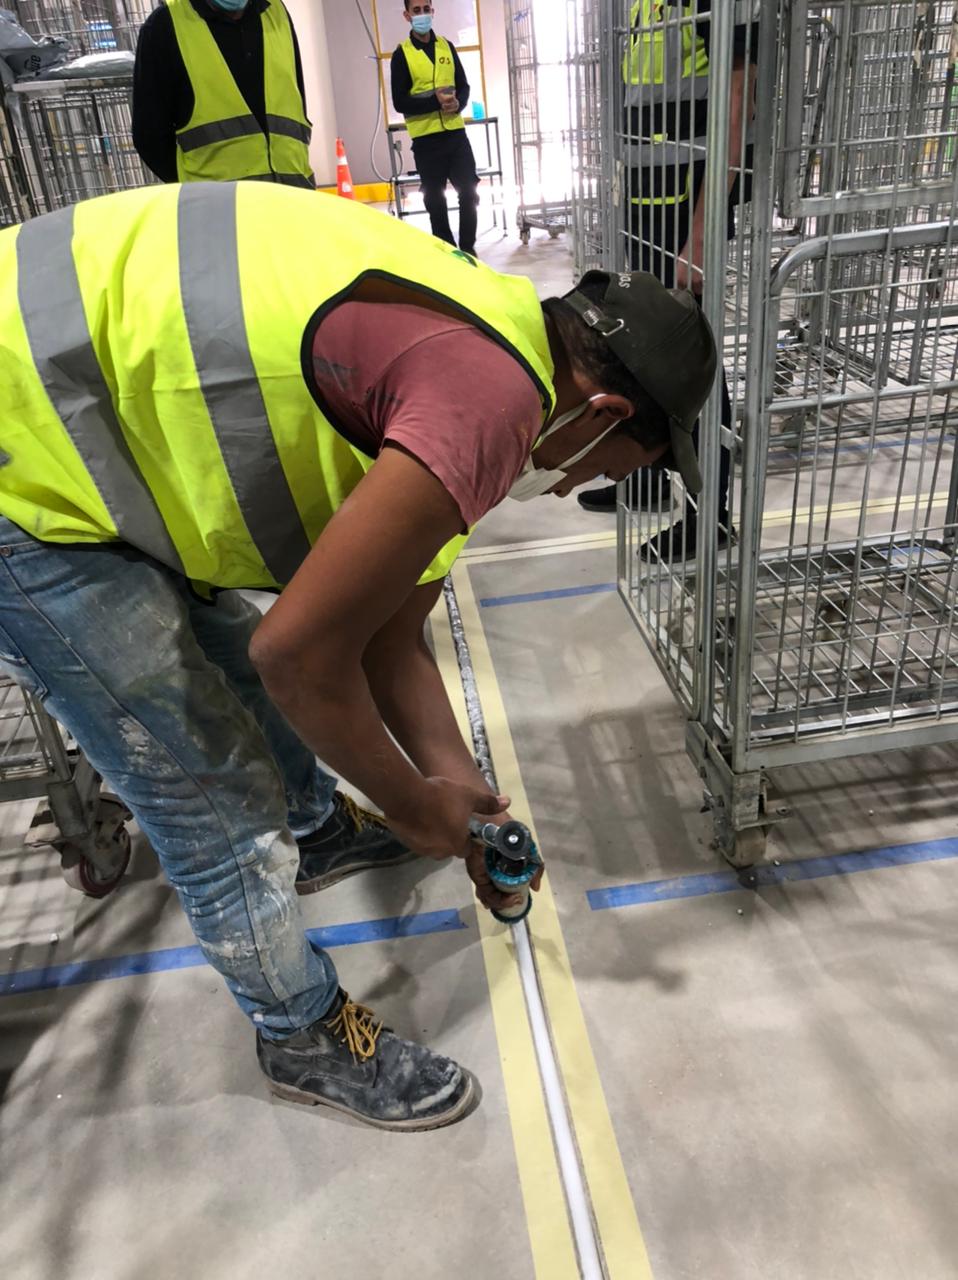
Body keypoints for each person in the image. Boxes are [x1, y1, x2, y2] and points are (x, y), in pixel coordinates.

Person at [0, 182, 715, 1130]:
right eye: (626, 464)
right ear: (608, 411)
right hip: (24, 440)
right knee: (209, 790)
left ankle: (320, 830)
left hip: (68, 397)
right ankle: (297, 1031)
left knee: (226, 665)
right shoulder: (490, 408)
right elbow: (300, 657)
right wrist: (414, 805)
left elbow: (391, 636)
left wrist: (466, 800)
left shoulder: (504, 338)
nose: (580, 486)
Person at [577, 0, 757, 565]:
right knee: (638, 352)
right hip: (646, 208)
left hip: (686, 210)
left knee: (692, 363)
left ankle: (709, 514)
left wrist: (702, 233)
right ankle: (648, 477)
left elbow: (738, 99)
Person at [132, 0, 313, 187]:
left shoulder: (276, 12)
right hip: (218, 202)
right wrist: (194, 189)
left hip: (293, 196)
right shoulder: (164, 25)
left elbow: (296, 106)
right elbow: (150, 137)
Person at [390, 2, 479, 255]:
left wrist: (459, 103)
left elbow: (463, 85)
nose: (422, 15)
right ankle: (449, 253)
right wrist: (435, 103)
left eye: (426, 9)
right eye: (416, 10)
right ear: (407, 15)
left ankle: (468, 250)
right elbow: (400, 102)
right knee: (435, 200)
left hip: (455, 134)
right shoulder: (402, 54)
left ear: (433, 11)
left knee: (469, 192)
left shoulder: (446, 46)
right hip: (426, 140)